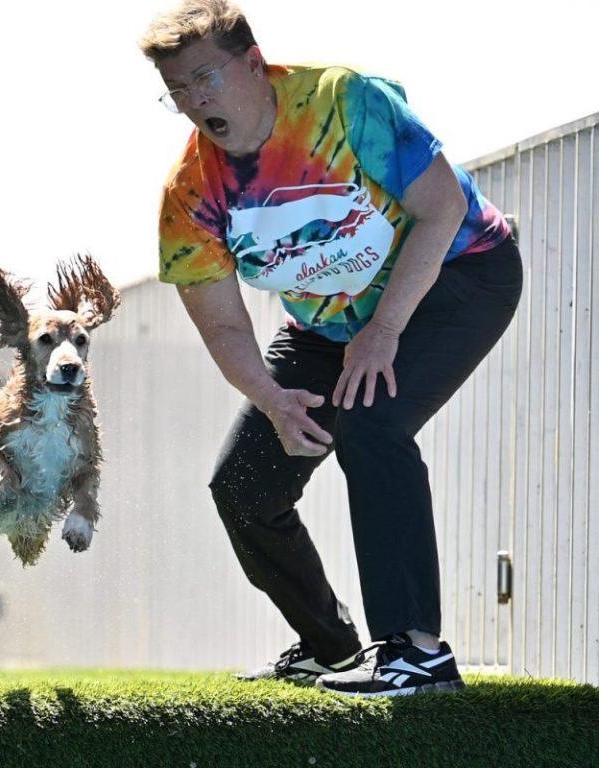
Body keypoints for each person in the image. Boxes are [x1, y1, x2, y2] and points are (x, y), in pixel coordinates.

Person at [139, 0, 522, 697]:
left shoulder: (343, 101)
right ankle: (332, 648)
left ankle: (417, 652)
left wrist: (385, 331)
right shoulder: (190, 193)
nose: (195, 102)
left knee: (371, 425)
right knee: (245, 485)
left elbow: (442, 207)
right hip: (329, 327)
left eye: (205, 79)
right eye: (177, 91)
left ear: (253, 64)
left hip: (458, 275)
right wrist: (270, 398)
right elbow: (224, 326)